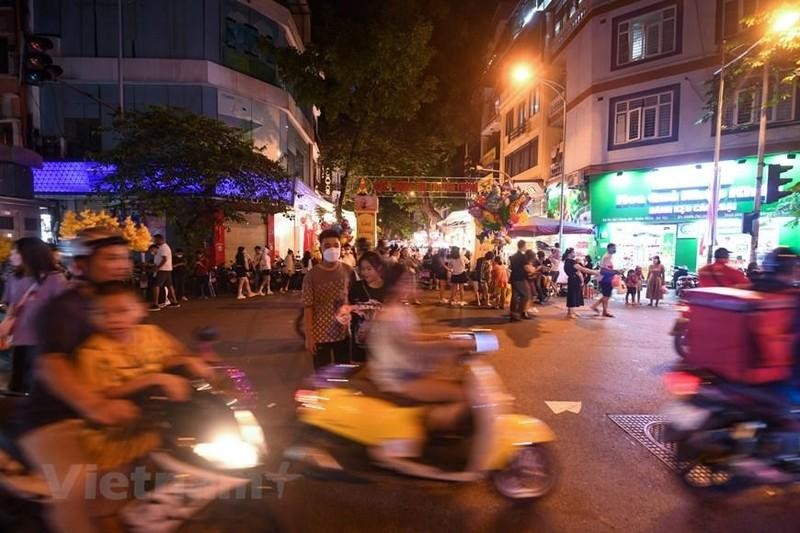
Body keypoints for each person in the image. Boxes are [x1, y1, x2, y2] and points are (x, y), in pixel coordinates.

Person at [17, 228, 141, 532]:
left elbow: (152, 344)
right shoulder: (65, 309)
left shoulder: (121, 304)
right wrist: (94, 405)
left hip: (107, 415)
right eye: (110, 258)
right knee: (76, 486)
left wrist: (190, 362)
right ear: (82, 264)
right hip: (55, 418)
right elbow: (52, 364)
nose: (121, 265)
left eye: (124, 258)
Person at [75, 281, 210, 471]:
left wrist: (191, 362)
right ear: (91, 317)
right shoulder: (92, 353)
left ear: (141, 310)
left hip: (160, 429)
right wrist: (155, 379)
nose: (113, 319)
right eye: (103, 314)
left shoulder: (151, 334)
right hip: (117, 442)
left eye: (122, 311)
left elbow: (172, 357)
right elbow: (103, 396)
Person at [367, 264, 474, 433]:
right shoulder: (388, 315)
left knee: (461, 389)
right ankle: (422, 434)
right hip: (399, 379)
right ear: (395, 285)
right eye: (407, 281)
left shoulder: (402, 308)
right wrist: (448, 345)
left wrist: (447, 337)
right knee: (464, 396)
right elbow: (411, 345)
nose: (412, 284)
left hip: (409, 372)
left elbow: (415, 337)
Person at [0, 238, 68, 392]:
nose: (11, 255)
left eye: (16, 251)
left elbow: (64, 310)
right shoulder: (14, 278)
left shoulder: (55, 279)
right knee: (17, 382)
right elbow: (12, 306)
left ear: (29, 254)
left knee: (40, 385)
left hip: (44, 340)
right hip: (19, 339)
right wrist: (4, 328)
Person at [302, 229, 354, 369]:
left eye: (336, 245)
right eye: (327, 245)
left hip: (344, 334)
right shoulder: (311, 276)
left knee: (343, 376)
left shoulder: (348, 271)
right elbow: (308, 307)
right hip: (320, 336)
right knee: (322, 377)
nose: (332, 249)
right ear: (321, 248)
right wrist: (309, 337)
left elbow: (354, 300)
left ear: (341, 248)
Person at [348, 251, 387, 362]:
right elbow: (348, 308)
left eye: (369, 269)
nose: (365, 273)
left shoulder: (388, 289)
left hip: (383, 346)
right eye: (363, 269)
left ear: (379, 268)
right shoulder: (356, 288)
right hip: (360, 345)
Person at [563, 247, 598, 318]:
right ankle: (570, 313)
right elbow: (583, 269)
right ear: (570, 253)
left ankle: (571, 311)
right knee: (572, 295)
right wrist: (596, 272)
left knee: (573, 295)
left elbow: (580, 271)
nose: (574, 253)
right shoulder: (570, 262)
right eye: (573, 252)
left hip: (573, 280)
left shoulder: (568, 261)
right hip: (573, 280)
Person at [150, 234, 179, 311]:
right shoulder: (161, 247)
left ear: (160, 239)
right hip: (166, 269)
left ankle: (155, 304)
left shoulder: (164, 248)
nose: (155, 241)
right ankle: (175, 302)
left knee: (156, 285)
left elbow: (164, 259)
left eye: (155, 240)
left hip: (163, 269)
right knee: (169, 285)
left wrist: (157, 268)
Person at [591, 243, 617, 318]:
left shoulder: (609, 257)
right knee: (606, 296)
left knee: (606, 296)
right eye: (614, 248)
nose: (615, 250)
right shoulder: (607, 257)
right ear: (609, 248)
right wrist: (615, 271)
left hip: (608, 279)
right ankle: (603, 311)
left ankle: (599, 308)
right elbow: (604, 270)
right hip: (605, 279)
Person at [509, 240, 532, 321]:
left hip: (513, 278)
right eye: (526, 246)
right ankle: (519, 312)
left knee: (514, 297)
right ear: (523, 246)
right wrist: (533, 269)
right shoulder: (522, 257)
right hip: (520, 279)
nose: (526, 247)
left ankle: (513, 314)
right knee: (526, 295)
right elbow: (527, 268)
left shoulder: (513, 256)